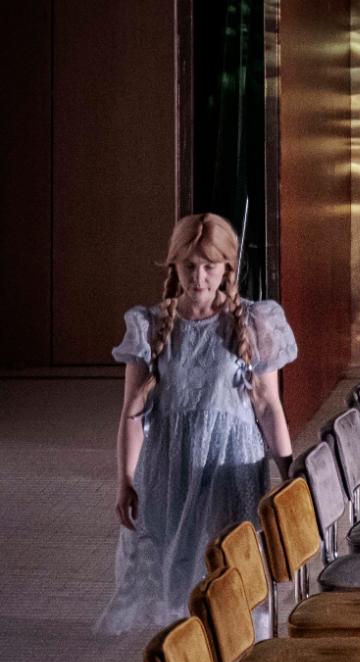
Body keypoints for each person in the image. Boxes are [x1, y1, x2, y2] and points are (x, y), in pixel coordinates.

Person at [98, 213, 297, 635]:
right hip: (171, 468)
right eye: (189, 265)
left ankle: (238, 656)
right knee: (177, 571)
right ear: (174, 265)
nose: (199, 277)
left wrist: (289, 470)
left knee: (230, 566)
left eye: (209, 266)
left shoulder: (254, 322)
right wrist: (125, 479)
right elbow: (132, 411)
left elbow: (268, 406)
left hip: (230, 468)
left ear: (227, 267)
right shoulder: (150, 326)